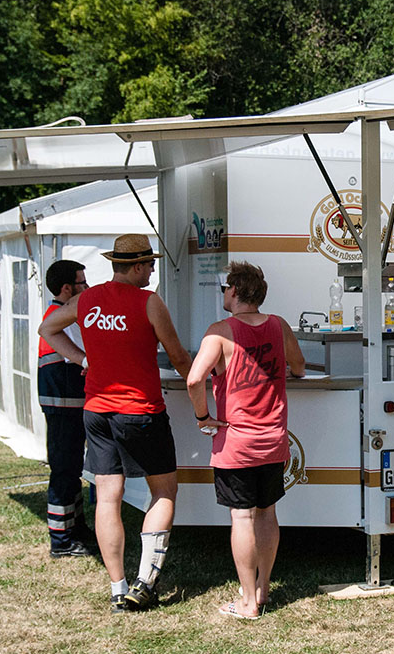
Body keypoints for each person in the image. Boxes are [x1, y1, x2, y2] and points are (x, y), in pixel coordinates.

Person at [39, 234, 192, 613]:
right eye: (150, 265)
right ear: (136, 266)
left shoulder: (86, 299)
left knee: (108, 498)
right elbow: (177, 356)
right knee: (164, 492)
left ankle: (117, 588)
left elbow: (48, 329)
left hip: (96, 411)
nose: (152, 271)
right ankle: (145, 582)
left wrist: (83, 359)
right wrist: (204, 382)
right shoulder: (148, 301)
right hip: (141, 411)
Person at [186, 262, 305, 620]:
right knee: (267, 513)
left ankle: (248, 601)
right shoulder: (278, 325)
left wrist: (203, 417)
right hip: (274, 439)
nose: (223, 293)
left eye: (225, 288)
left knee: (241, 517)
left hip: (236, 441)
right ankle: (263, 590)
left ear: (235, 291)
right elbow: (299, 366)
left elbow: (194, 380)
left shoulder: (219, 332)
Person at [38, 260, 94, 557]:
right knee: (63, 469)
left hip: (69, 403)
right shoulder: (58, 318)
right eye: (82, 282)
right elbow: (80, 359)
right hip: (62, 404)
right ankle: (60, 540)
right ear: (66, 288)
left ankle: (75, 527)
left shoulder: (64, 315)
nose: (87, 287)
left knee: (72, 467)